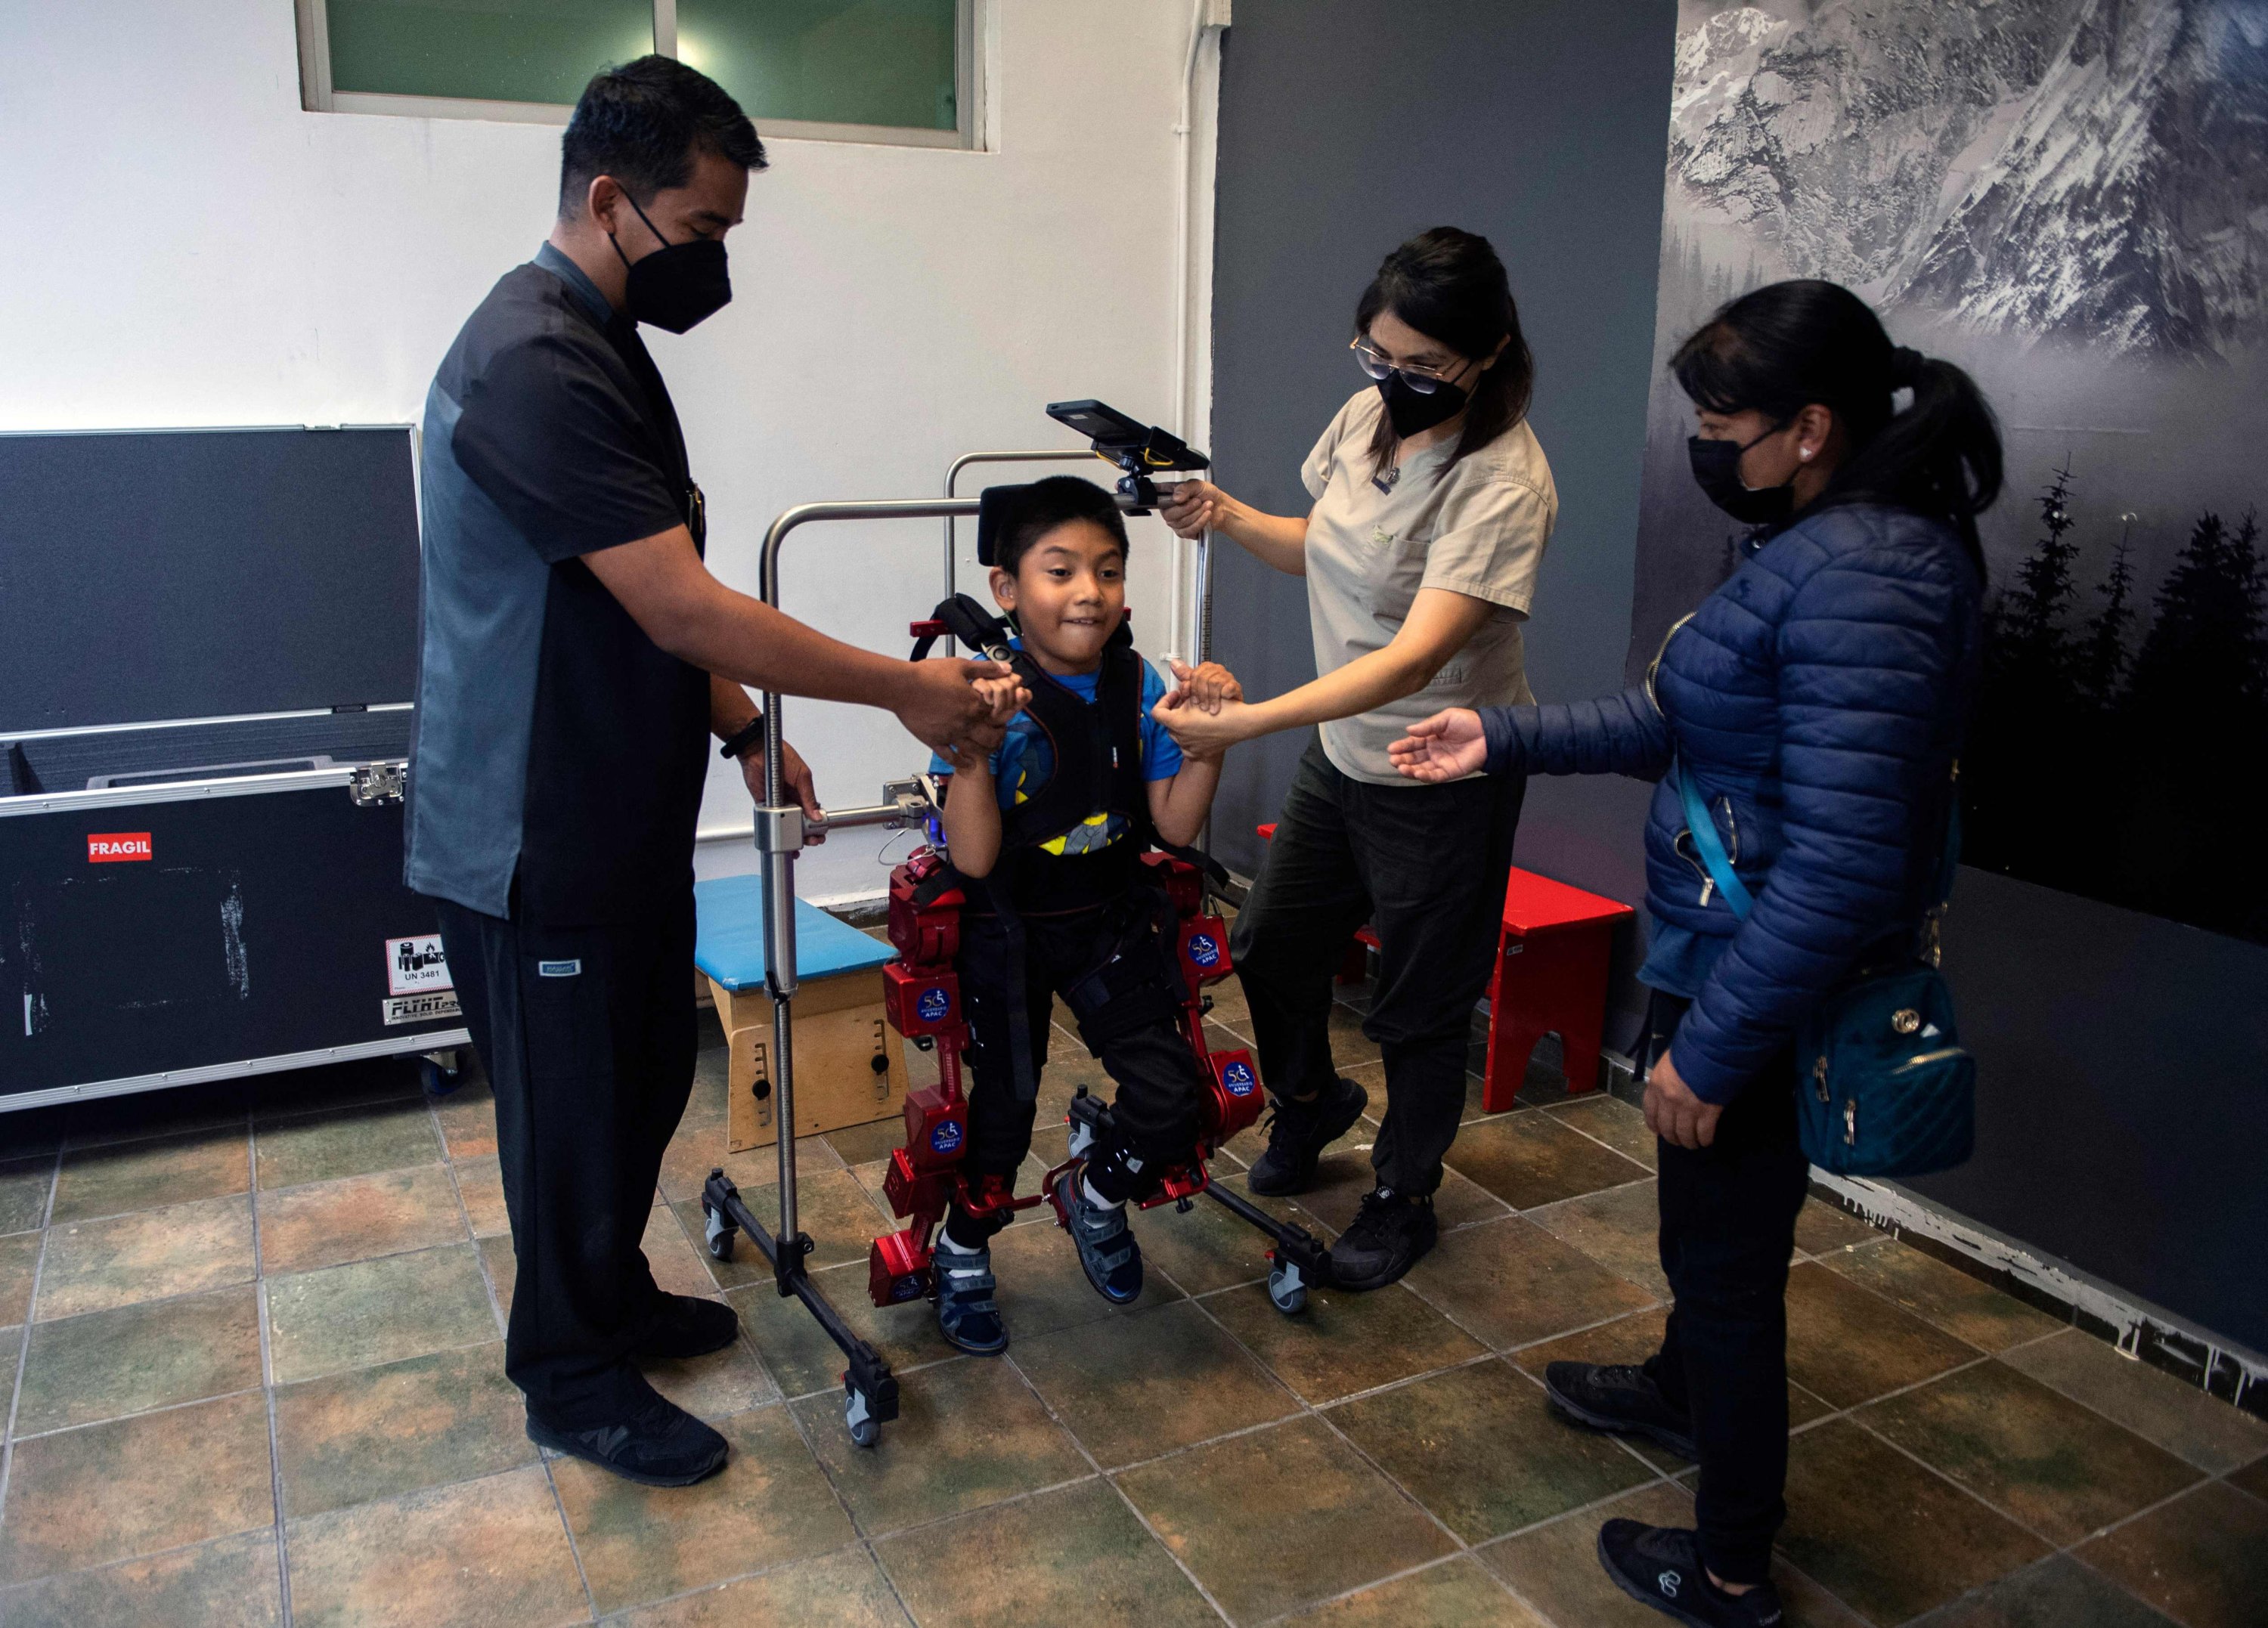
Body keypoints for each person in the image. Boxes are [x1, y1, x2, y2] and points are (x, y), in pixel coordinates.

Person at [405, 57, 1020, 1487]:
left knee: (634, 1085)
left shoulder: (606, 343)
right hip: (528, 833)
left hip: (618, 812)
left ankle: (609, 1295)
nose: (716, 261)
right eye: (704, 231)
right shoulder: (529, 363)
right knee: (568, 1118)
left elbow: (643, 598)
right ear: (612, 201)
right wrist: (908, 691)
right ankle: (568, 1369)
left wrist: (741, 726)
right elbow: (682, 601)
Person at [1392, 280, 2001, 1628]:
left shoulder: (1865, 573)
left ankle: (1730, 1566)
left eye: (1726, 422)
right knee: (1709, 1250)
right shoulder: (1834, 543)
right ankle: (1681, 1389)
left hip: (1767, 988)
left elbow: (1844, 862)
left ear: (1813, 426)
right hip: (1730, 956)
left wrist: (1714, 1046)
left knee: (1727, 1269)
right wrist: (1506, 735)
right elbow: (1687, 720)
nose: (1707, 444)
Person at [1155, 227, 1554, 1289]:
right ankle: (1312, 1100)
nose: (1395, 381)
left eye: (1423, 366)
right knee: (1273, 944)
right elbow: (1327, 544)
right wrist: (1228, 515)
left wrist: (1250, 723)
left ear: (1486, 352)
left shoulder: (1503, 482)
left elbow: (1414, 655)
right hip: (1345, 757)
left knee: (1418, 1002)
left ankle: (1403, 1194)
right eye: (1378, 356)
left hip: (1442, 773)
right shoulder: (1367, 419)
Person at [924, 478, 1243, 1352]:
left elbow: (1175, 825)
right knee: (1003, 1116)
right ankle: (960, 1246)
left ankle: (1095, 1195)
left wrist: (1208, 739)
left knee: (1173, 1097)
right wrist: (977, 753)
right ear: (1006, 587)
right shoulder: (984, 695)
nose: (1088, 593)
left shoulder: (1140, 686)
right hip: (1008, 930)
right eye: (1059, 571)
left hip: (1106, 917)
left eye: (1108, 571)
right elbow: (976, 859)